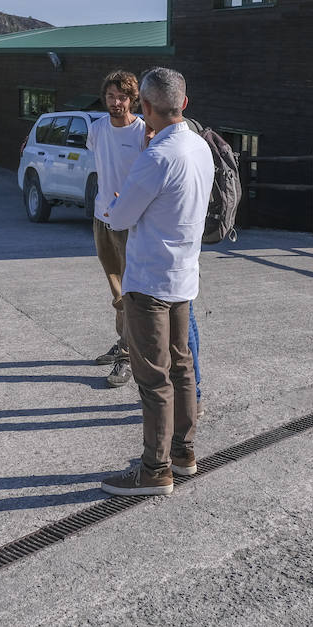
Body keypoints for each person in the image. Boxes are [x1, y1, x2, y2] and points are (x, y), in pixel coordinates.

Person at [98, 67, 213, 496]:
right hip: (184, 274)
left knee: (153, 378)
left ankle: (154, 469)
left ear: (145, 107)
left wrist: (114, 203)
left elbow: (121, 217)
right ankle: (183, 454)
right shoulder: (200, 147)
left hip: (148, 280)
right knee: (182, 366)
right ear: (183, 103)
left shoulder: (157, 157)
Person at [88, 70, 145, 388]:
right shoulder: (96, 129)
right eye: (110, 96)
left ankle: (127, 355)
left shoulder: (142, 132)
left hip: (129, 222)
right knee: (115, 288)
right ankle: (123, 342)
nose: (115, 102)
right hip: (101, 217)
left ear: (132, 99)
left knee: (130, 289)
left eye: (122, 97)